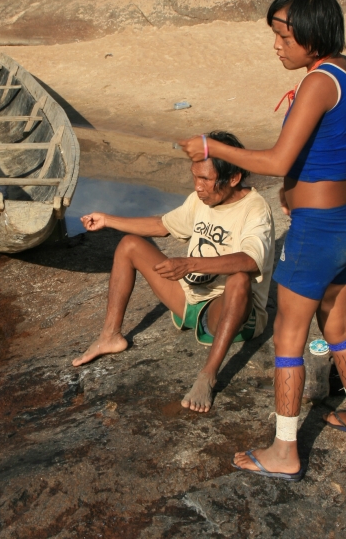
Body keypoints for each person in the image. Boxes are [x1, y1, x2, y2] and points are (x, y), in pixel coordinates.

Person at [180, 0, 346, 481]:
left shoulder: (316, 83)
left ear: (312, 34)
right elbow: (331, 149)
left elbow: (276, 160)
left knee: (288, 336)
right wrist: (293, 188)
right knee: (335, 322)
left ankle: (284, 451)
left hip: (318, 231)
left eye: (284, 36)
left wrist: (210, 147)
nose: (277, 46)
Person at [72, 131, 275, 413]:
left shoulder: (255, 209)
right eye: (195, 177)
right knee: (129, 245)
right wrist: (108, 219)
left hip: (226, 310)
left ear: (233, 179)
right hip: (189, 299)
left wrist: (189, 264)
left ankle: (208, 375)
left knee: (239, 280)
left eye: (205, 179)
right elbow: (163, 225)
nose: (198, 187)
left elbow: (250, 261)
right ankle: (110, 336)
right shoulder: (199, 200)